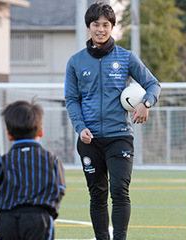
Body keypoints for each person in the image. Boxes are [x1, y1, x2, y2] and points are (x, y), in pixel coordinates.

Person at [64, 2, 161, 240]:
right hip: (90, 139)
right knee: (97, 194)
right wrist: (81, 128)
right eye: (96, 24)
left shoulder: (126, 58)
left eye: (106, 25)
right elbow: (71, 99)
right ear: (89, 27)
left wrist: (145, 103)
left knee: (119, 191)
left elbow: (153, 84)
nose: (101, 29)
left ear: (112, 27)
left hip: (120, 137)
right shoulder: (75, 62)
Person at [0, 100, 66, 240]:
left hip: (7, 220)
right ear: (41, 131)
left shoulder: (2, 161)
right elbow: (60, 188)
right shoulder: (52, 160)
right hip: (39, 219)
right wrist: (52, 214)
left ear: (8, 134)